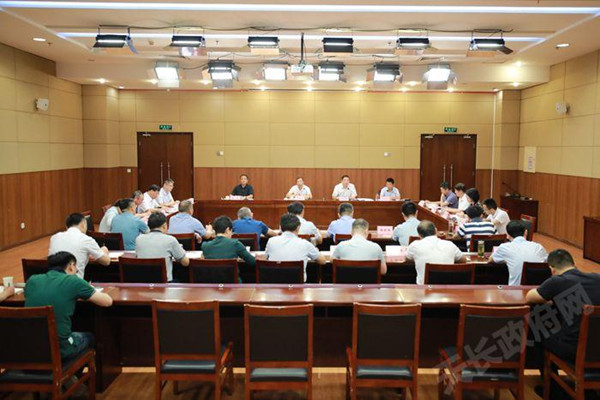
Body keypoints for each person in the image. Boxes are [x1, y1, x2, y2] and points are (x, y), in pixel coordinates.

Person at [526, 249, 600, 399]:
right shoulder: (597, 278)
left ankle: (553, 390)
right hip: (597, 347)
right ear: (574, 264)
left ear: (552, 269)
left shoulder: (557, 281)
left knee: (535, 331)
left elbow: (530, 297)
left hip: (574, 350)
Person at [24, 251, 113, 361]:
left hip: (30, 348)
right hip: (61, 349)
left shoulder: (32, 280)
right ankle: (73, 370)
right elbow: (107, 302)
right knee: (90, 337)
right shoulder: (73, 281)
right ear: (71, 266)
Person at [265, 214, 326, 282]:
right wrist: (316, 251)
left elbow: (266, 258)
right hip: (298, 286)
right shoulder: (305, 244)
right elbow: (323, 261)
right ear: (298, 228)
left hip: (274, 285)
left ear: (280, 227)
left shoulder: (271, 241)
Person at [49, 213, 111, 278]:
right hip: (74, 282)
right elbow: (106, 262)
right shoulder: (86, 239)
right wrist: (103, 250)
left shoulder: (54, 237)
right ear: (83, 225)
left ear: (66, 227)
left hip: (53, 280)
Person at [135, 213, 189, 282]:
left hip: (143, 283)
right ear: (164, 226)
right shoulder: (170, 240)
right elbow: (185, 263)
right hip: (165, 284)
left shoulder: (139, 239)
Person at [491, 220, 547, 286]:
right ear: (526, 232)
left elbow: (491, 259)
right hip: (538, 289)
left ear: (507, 235)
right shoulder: (538, 247)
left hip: (516, 290)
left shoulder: (504, 247)